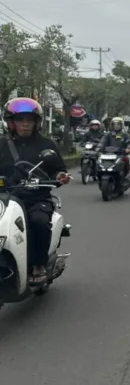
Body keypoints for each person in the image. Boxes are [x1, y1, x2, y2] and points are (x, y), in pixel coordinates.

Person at [0, 98, 71, 286]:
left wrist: (60, 176)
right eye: (20, 119)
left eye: (29, 120)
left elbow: (58, 170)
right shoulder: (1, 144)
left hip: (36, 198)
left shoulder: (47, 145)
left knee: (38, 222)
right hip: (5, 198)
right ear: (10, 122)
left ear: (36, 123)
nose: (25, 124)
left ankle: (38, 265)